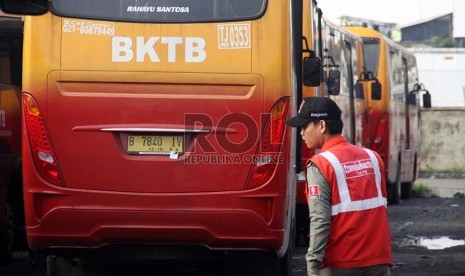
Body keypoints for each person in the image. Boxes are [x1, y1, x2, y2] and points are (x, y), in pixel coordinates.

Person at [286, 97, 393, 276]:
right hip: (379, 261)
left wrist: (312, 266)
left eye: (304, 127)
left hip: (341, 264)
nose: (301, 133)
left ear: (321, 125)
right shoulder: (373, 158)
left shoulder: (320, 165)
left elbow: (320, 220)